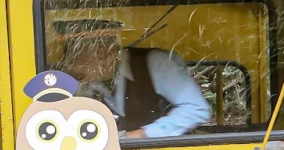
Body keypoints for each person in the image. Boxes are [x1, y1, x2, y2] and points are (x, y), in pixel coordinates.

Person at [54, 17, 210, 138]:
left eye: (77, 60)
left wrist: (143, 134)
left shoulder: (155, 63)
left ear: (104, 54)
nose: (72, 68)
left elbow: (196, 109)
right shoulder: (90, 82)